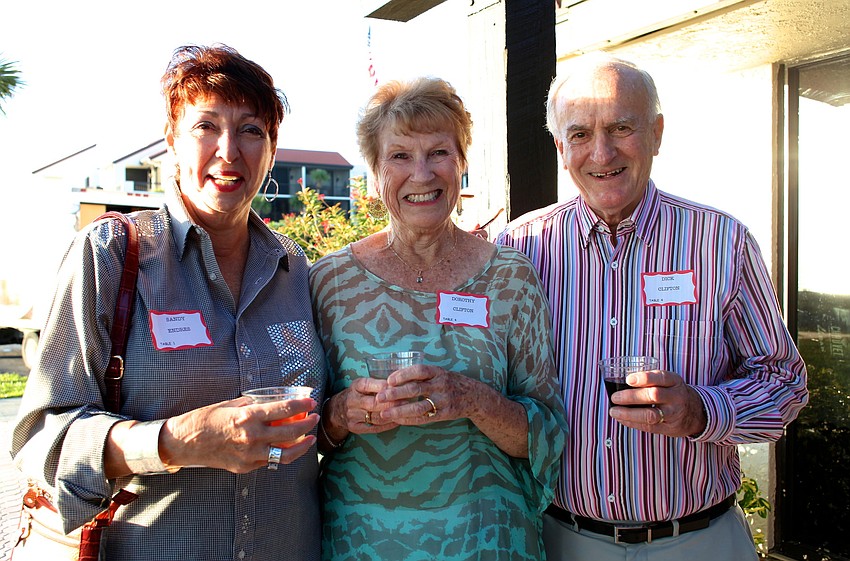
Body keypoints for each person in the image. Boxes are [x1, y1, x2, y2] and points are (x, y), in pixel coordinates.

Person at [11, 44, 326, 561]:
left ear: (272, 149)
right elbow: (41, 438)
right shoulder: (112, 254)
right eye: (206, 126)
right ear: (171, 142)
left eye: (252, 130)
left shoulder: (293, 268)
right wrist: (178, 441)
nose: (229, 151)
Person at [496, 55, 808, 560]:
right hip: (561, 540)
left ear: (657, 133)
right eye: (579, 135)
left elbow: (784, 384)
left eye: (621, 127)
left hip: (699, 541)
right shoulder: (520, 248)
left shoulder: (720, 242)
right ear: (560, 148)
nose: (601, 152)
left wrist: (700, 411)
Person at [310, 77, 568, 561]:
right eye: (400, 156)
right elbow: (307, 434)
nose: (422, 174)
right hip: (362, 543)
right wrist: (342, 413)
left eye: (439, 153)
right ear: (374, 170)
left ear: (462, 162)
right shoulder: (329, 282)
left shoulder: (509, 278)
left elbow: (548, 433)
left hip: (488, 540)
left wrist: (472, 399)